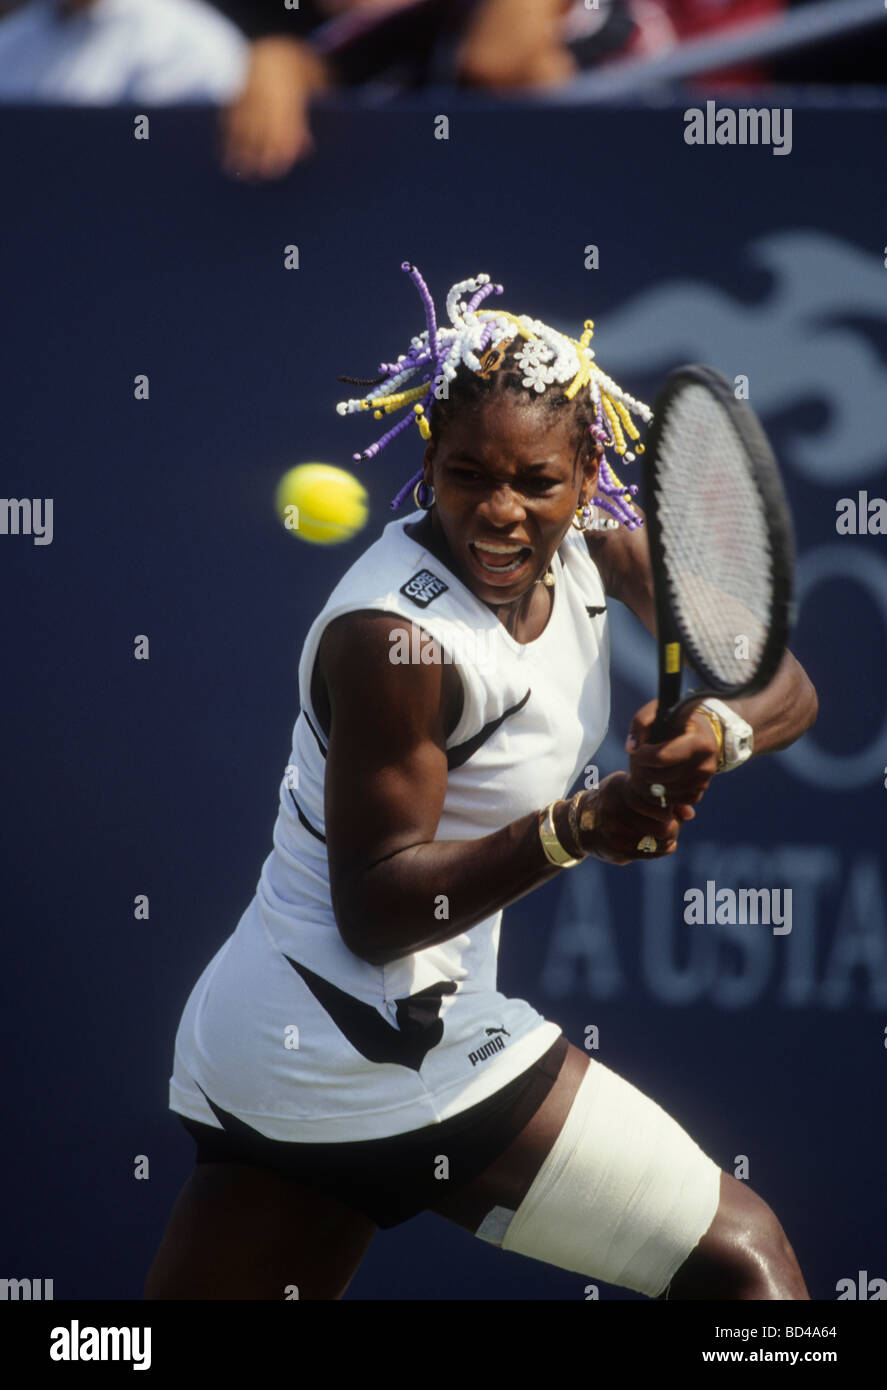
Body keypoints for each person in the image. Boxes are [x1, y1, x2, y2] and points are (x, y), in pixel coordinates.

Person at [144, 264, 817, 1301]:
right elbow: (373, 911)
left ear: (587, 466)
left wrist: (717, 732)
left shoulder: (599, 537)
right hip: (365, 1039)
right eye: (466, 475)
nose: (498, 513)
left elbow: (780, 683)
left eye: (534, 482)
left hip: (280, 1061)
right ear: (429, 459)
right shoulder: (393, 640)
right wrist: (576, 824)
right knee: (742, 1267)